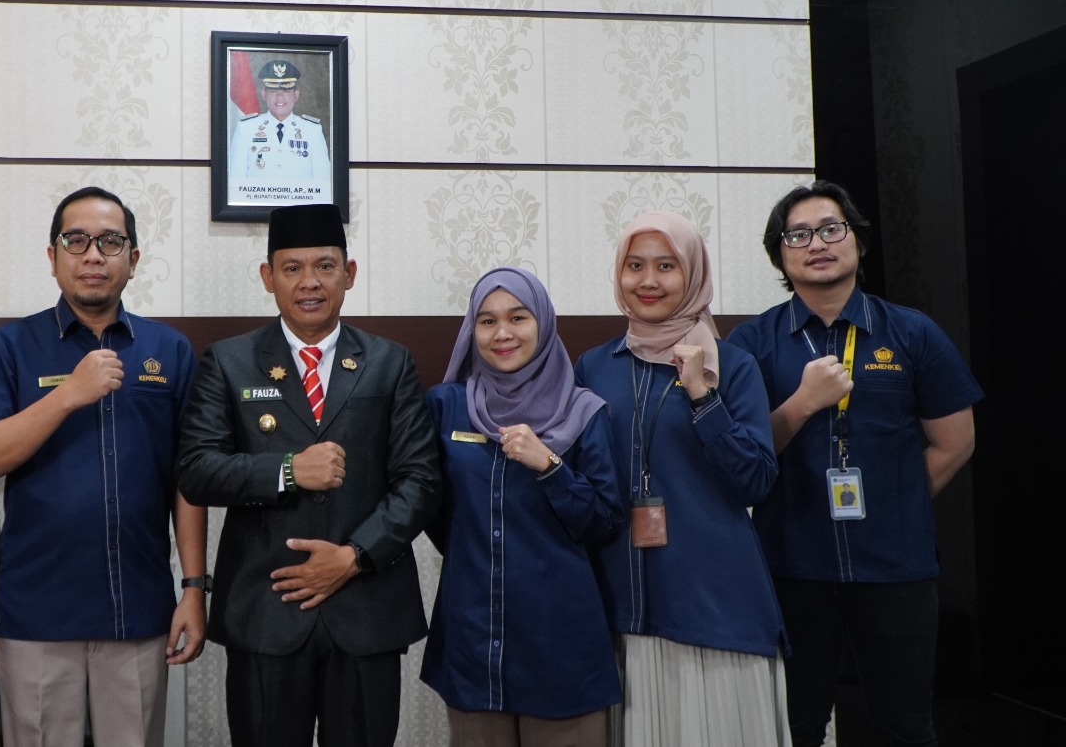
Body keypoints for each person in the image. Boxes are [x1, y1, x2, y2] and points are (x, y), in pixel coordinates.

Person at [0, 186, 207, 747]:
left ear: (132, 259)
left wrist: (193, 587)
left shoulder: (170, 350)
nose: (93, 254)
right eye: (77, 241)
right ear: (53, 256)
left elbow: (188, 479)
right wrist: (68, 395)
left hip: (138, 608)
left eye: (111, 242)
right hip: (37, 612)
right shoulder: (9, 347)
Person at [177, 203, 441, 747]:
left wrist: (354, 556)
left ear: (349, 272)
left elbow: (420, 481)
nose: (309, 282)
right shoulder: (228, 362)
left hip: (366, 611)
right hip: (265, 613)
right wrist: (288, 470)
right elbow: (197, 471)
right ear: (267, 276)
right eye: (292, 268)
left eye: (325, 265)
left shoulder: (390, 362)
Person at [728, 181, 981, 747]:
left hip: (895, 567)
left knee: (906, 727)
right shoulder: (751, 342)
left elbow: (955, 442)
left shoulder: (912, 332)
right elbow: (742, 453)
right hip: (791, 565)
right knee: (796, 728)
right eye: (798, 235)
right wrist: (802, 403)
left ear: (858, 242)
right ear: (780, 255)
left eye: (830, 228)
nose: (817, 243)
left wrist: (897, 504)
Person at [572, 211, 789, 747]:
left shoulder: (731, 365)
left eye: (666, 266)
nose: (648, 281)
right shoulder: (593, 368)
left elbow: (755, 481)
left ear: (692, 273)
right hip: (622, 605)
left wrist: (702, 396)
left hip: (713, 606)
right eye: (635, 265)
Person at [422, 267, 623, 746]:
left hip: (560, 642)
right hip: (474, 639)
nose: (502, 334)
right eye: (487, 321)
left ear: (544, 323)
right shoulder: (446, 406)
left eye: (518, 317)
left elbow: (604, 521)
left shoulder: (584, 412)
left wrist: (550, 465)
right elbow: (431, 508)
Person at [227, 59, 332, 204]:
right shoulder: (246, 128)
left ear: (296, 95)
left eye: (286, 91)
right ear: (264, 94)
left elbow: (323, 183)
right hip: (256, 209)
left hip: (300, 212)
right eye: (273, 91)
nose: (280, 97)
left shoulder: (312, 130)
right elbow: (236, 181)